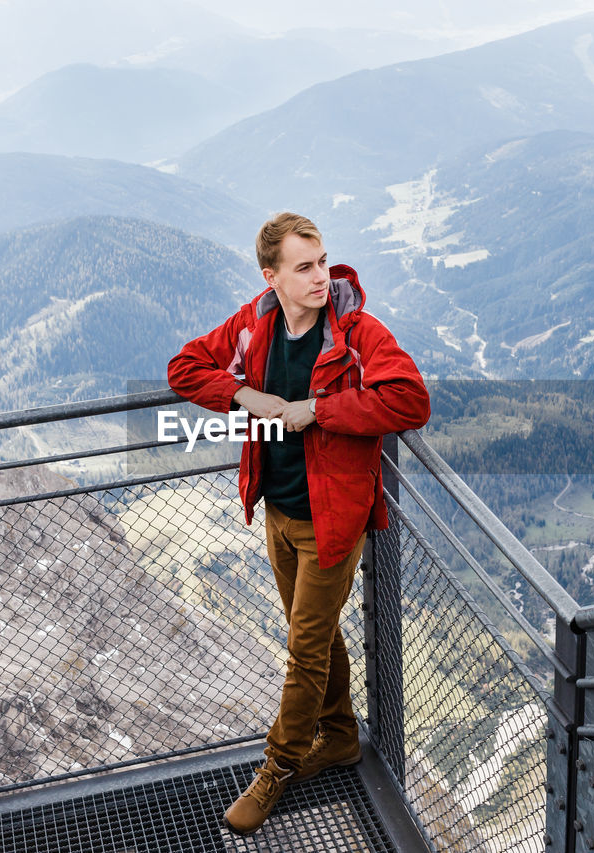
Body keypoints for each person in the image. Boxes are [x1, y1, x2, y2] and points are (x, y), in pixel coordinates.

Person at [167, 212, 430, 835]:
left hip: (332, 522)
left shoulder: (358, 332)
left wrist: (319, 409)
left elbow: (410, 400)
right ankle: (339, 735)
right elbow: (184, 367)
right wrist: (244, 397)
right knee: (313, 635)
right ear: (273, 277)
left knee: (303, 650)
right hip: (279, 513)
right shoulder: (253, 325)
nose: (321, 277)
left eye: (322, 262)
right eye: (304, 267)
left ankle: (276, 769)